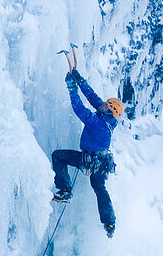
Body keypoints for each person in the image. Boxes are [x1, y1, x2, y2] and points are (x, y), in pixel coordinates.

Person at [52, 67, 124, 237]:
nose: (103, 104)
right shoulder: (108, 118)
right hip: (103, 162)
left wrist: (72, 89)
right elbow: (93, 98)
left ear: (110, 110)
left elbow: (80, 110)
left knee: (58, 156)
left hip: (92, 160)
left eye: (107, 104)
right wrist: (80, 80)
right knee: (99, 187)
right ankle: (109, 222)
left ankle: (65, 190)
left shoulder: (99, 125)